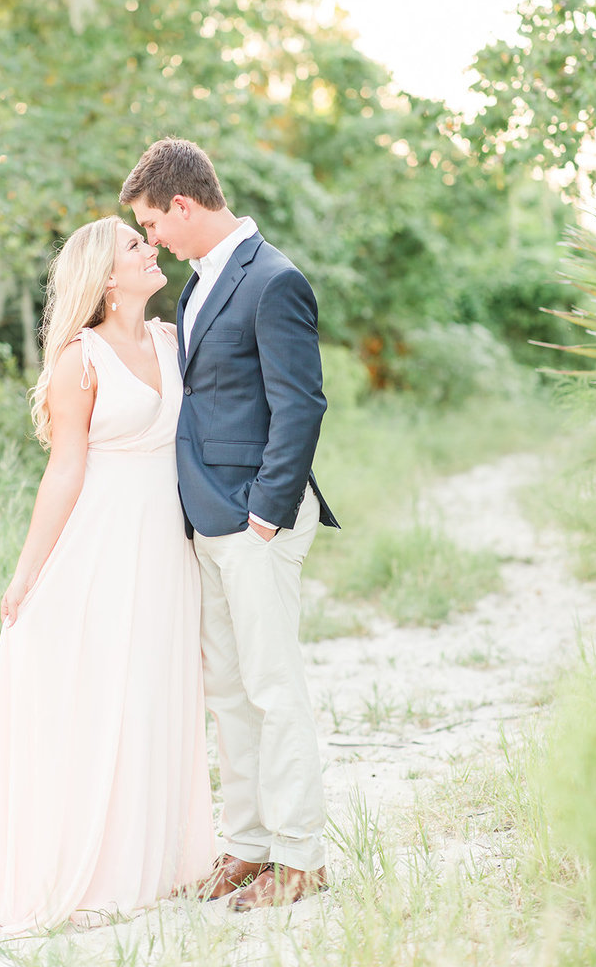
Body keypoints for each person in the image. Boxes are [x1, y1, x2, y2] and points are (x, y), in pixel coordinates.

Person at [0, 215, 215, 932]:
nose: (151, 248)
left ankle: (156, 860)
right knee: (101, 691)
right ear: (108, 276)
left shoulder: (172, 340)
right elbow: (65, 468)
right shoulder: (81, 358)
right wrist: (26, 577)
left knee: (154, 691)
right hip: (98, 544)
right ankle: (87, 865)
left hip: (164, 543)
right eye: (136, 245)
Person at [120, 138, 339, 912]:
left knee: (274, 690)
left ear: (182, 204)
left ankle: (301, 857)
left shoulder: (273, 279)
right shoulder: (202, 279)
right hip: (207, 519)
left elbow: (301, 403)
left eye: (152, 224)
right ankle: (249, 847)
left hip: (255, 520)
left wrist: (268, 515)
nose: (152, 241)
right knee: (232, 694)